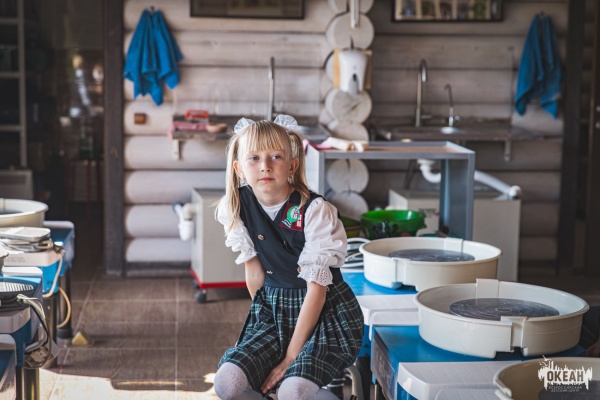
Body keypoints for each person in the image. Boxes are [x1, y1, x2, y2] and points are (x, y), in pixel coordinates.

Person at [213, 115, 364, 400]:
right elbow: (255, 274)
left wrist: (289, 357)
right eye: (254, 158)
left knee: (292, 391)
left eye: (276, 157)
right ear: (239, 169)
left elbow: (316, 290)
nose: (265, 166)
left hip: (326, 313)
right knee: (227, 382)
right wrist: (263, 322)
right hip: (274, 311)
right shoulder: (235, 206)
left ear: (292, 166)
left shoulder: (314, 210)